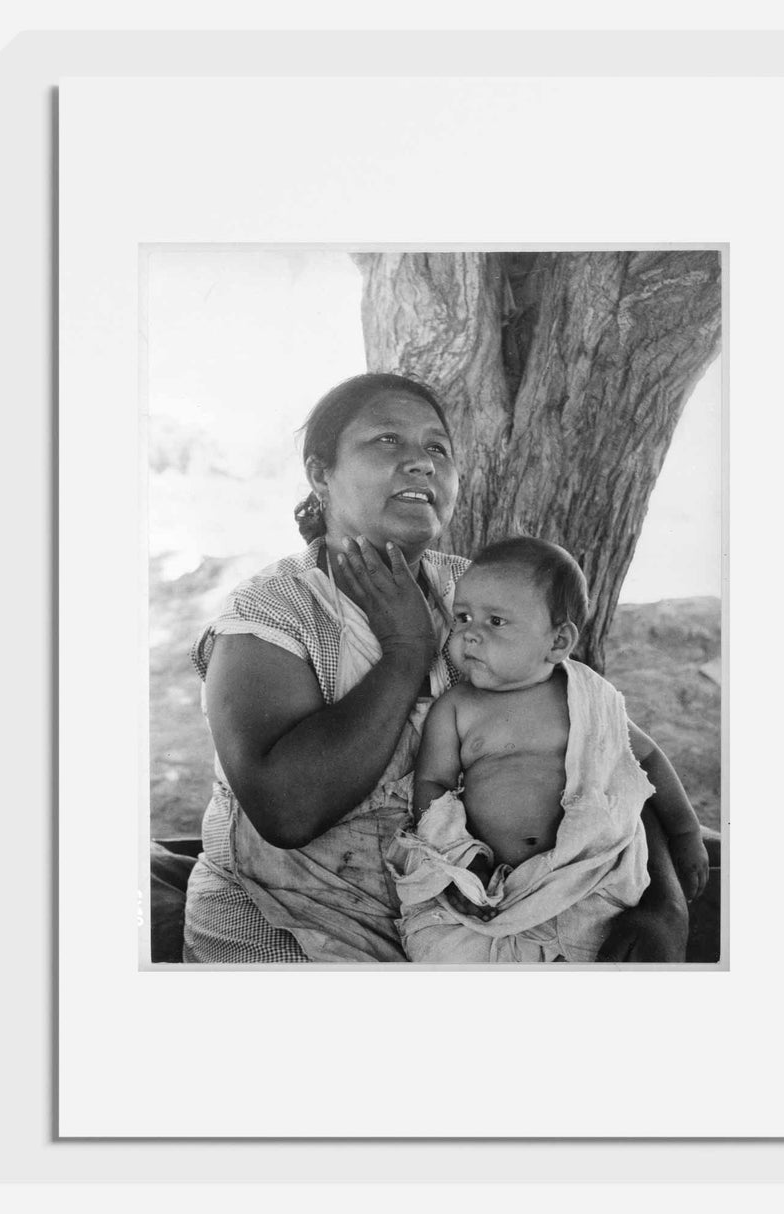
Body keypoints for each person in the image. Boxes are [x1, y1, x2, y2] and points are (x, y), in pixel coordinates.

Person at [182, 373, 690, 963]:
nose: (421, 463)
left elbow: (594, 745)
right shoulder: (270, 613)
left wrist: (665, 904)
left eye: (438, 449)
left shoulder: (479, 595)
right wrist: (405, 649)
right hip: (291, 927)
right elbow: (287, 812)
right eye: (387, 441)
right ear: (321, 474)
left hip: (480, 920)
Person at [387, 537, 709, 962]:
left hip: (587, 874)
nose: (470, 635)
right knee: (452, 950)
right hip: (491, 883)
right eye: (462, 618)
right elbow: (433, 785)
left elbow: (644, 760)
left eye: (496, 622)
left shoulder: (586, 696)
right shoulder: (457, 708)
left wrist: (686, 834)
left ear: (557, 643)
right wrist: (460, 861)